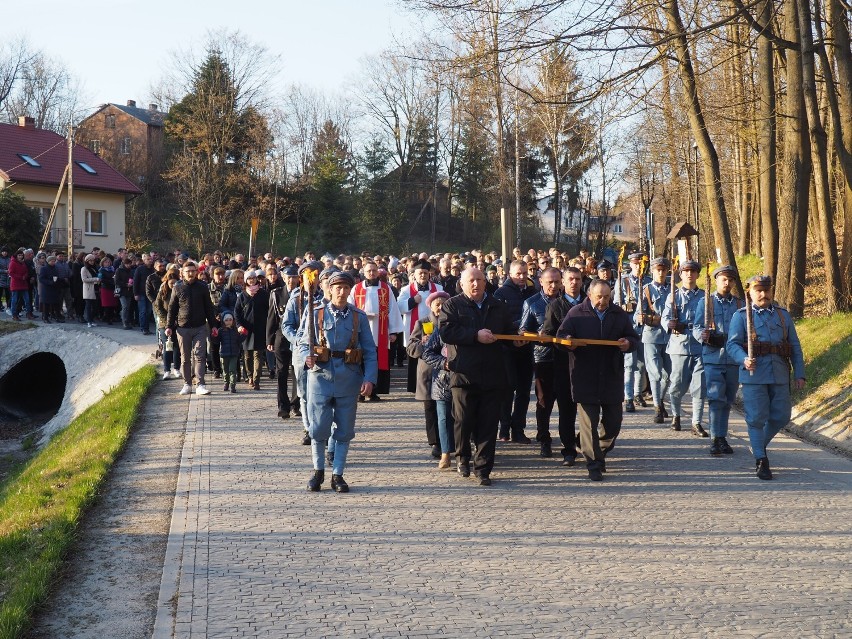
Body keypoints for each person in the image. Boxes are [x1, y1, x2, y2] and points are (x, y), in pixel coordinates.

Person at [299, 271, 378, 493]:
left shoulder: (358, 316)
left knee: (344, 430)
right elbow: (303, 342)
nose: (342, 292)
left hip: (349, 378)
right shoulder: (316, 313)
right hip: (320, 377)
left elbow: (370, 351)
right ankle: (318, 472)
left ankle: (338, 474)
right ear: (330, 289)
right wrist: (307, 356)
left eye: (346, 288)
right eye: (338, 288)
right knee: (319, 427)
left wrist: (370, 378)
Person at [439, 267, 518, 486]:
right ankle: (462, 457)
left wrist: (517, 339)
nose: (475, 284)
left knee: (488, 423)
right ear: (462, 284)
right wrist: (475, 336)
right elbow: (446, 332)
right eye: (471, 281)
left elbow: (508, 331)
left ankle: (483, 468)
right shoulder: (452, 305)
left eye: (479, 280)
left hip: (493, 374)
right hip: (464, 373)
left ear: (485, 283)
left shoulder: (497, 306)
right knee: (463, 420)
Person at [556, 280, 639, 481]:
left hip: (611, 375)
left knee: (613, 423)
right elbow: (560, 336)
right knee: (588, 423)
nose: (603, 301)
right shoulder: (576, 313)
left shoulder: (618, 314)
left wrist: (627, 343)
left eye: (606, 297)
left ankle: (597, 449)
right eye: (599, 297)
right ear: (590, 295)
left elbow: (633, 338)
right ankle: (593, 463)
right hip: (585, 375)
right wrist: (568, 342)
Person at [726, 275, 805, 480]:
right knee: (756, 418)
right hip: (754, 375)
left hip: (779, 373)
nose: (763, 294)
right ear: (750, 293)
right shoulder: (741, 316)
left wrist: (800, 373)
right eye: (758, 291)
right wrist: (743, 359)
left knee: (781, 416)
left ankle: (757, 445)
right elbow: (732, 345)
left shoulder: (782, 316)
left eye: (766, 290)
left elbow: (795, 346)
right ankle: (761, 459)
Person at [540, 266, 587, 466]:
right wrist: (556, 338)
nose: (574, 282)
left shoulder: (591, 301)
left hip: (588, 363)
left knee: (589, 409)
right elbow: (549, 332)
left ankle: (586, 443)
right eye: (570, 279)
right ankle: (568, 450)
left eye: (578, 279)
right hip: (563, 364)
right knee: (566, 409)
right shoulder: (555, 306)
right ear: (563, 282)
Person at [693, 265, 741, 455]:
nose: (727, 283)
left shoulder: (739, 305)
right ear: (716, 281)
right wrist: (702, 334)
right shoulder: (706, 303)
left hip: (733, 359)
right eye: (723, 279)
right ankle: (715, 438)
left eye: (730, 280)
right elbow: (696, 327)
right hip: (713, 356)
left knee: (728, 400)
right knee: (715, 398)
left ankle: (722, 436)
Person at [519, 267, 564, 458]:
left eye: (556, 281)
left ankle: (568, 439)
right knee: (544, 402)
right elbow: (522, 330)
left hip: (566, 357)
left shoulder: (567, 302)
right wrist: (537, 336)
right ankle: (543, 438)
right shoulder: (532, 303)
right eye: (549, 282)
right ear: (541, 282)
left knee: (567, 402)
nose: (553, 285)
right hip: (543, 357)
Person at [494, 259, 537, 443]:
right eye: (518, 273)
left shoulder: (532, 293)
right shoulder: (500, 293)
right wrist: (516, 329)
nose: (522, 277)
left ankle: (518, 429)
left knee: (524, 391)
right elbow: (496, 321)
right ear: (510, 274)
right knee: (506, 389)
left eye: (525, 273)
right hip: (507, 349)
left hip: (527, 348)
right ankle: (504, 429)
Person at [662, 260, 707, 436]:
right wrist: (669, 323)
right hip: (679, 345)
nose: (689, 274)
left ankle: (696, 422)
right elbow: (665, 316)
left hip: (700, 346)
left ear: (697, 274)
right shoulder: (673, 295)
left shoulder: (704, 296)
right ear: (680, 274)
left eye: (693, 271)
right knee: (678, 384)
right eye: (686, 271)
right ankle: (676, 415)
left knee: (699, 385)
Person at [349, 261, 404, 399]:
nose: (372, 273)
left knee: (377, 360)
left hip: (381, 331)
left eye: (374, 270)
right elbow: (349, 307)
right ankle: (359, 392)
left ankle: (374, 391)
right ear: (364, 272)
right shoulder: (356, 289)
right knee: (359, 361)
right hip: (361, 330)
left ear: (378, 272)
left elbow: (393, 309)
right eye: (369, 271)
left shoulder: (386, 288)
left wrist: (393, 332)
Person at [407, 291, 449, 460]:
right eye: (437, 304)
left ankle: (449, 442)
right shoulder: (422, 322)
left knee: (449, 410)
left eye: (443, 304)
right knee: (430, 409)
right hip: (428, 372)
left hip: (447, 372)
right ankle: (435, 443)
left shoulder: (452, 322)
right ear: (430, 306)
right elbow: (410, 348)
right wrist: (422, 343)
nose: (440, 307)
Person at [166, 260, 218, 396]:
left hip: (200, 327)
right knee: (185, 358)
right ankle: (187, 383)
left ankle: (200, 384)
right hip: (182, 329)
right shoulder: (177, 288)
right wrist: (169, 326)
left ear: (196, 272)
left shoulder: (202, 287)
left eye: (192, 271)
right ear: (182, 273)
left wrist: (213, 325)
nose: (190, 273)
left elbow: (209, 308)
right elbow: (172, 308)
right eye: (187, 271)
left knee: (200, 356)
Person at [398, 259, 443, 392]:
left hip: (434, 326)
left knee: (434, 354)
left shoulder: (438, 288)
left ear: (429, 274)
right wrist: (412, 301)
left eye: (425, 273)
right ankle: (414, 387)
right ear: (415, 275)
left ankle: (435, 384)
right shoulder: (406, 290)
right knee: (415, 356)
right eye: (420, 273)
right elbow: (399, 307)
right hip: (415, 328)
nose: (423, 275)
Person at [419, 311, 456, 470]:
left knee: (464, 418)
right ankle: (445, 453)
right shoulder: (440, 331)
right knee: (443, 418)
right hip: (442, 380)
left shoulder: (468, 330)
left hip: (465, 379)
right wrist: (444, 363)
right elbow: (427, 353)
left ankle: (464, 451)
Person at [637, 257, 672, 424]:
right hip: (651, 335)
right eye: (658, 269)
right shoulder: (646, 290)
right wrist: (641, 317)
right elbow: (639, 313)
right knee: (655, 373)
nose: (660, 272)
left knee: (668, 375)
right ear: (652, 271)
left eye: (663, 270)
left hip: (670, 337)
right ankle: (658, 407)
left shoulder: (674, 290)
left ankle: (660, 400)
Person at [615, 252, 650, 412]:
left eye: (641, 264)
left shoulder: (648, 282)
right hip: (629, 328)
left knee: (642, 364)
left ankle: (638, 393)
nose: (639, 267)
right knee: (629, 365)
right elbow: (616, 303)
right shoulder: (624, 281)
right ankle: (628, 396)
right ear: (631, 264)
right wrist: (622, 307)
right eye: (636, 264)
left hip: (645, 329)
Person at [268, 264, 296, 418]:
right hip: (281, 338)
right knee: (282, 373)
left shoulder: (303, 294)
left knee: (298, 374)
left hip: (299, 338)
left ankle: (296, 404)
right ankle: (283, 406)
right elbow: (271, 318)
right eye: (289, 277)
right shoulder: (277, 294)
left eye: (294, 277)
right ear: (283, 278)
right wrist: (270, 338)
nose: (291, 280)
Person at [235, 270, 270, 390]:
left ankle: (256, 380)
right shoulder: (243, 295)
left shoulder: (264, 294)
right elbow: (237, 312)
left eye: (253, 278)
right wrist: (239, 325)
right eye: (249, 279)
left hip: (260, 329)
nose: (252, 280)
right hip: (246, 330)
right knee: (247, 355)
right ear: (246, 281)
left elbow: (269, 311)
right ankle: (249, 375)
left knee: (258, 355)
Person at [155, 273, 183, 380]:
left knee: (177, 347)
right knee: (168, 346)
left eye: (175, 282)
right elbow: (158, 307)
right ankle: (166, 370)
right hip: (164, 324)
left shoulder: (180, 291)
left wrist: (176, 320)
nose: (173, 285)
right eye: (171, 283)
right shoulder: (162, 292)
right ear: (167, 282)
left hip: (178, 323)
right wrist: (168, 321)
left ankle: (176, 369)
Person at [218, 311, 243, 392]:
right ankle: (226, 383)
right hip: (224, 353)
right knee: (225, 370)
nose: (228, 322)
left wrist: (244, 334)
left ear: (233, 321)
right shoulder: (221, 331)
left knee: (232, 370)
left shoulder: (235, 331)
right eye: (226, 320)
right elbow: (216, 341)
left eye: (230, 320)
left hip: (233, 354)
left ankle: (232, 385)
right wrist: (214, 336)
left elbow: (239, 340)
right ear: (223, 321)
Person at [9, 249, 35, 320]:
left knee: (27, 300)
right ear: (16, 256)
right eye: (19, 255)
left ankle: (29, 313)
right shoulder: (13, 262)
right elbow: (11, 273)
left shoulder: (23, 263)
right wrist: (20, 277)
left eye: (21, 255)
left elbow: (26, 271)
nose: (20, 257)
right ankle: (14, 315)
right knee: (14, 300)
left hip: (23, 284)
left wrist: (25, 276)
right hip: (15, 284)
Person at [134, 253, 155, 334]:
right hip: (141, 293)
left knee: (149, 311)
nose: (150, 261)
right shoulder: (140, 269)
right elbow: (136, 282)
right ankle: (143, 328)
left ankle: (147, 328)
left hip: (150, 293)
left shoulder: (153, 269)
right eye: (148, 259)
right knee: (143, 311)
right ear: (144, 260)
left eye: (150, 259)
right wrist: (136, 294)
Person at [97, 256, 119, 325]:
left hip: (112, 288)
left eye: (109, 262)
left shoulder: (112, 269)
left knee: (112, 304)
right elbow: (101, 280)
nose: (108, 263)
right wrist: (111, 281)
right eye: (106, 262)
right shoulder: (101, 270)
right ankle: (107, 318)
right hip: (105, 288)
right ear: (103, 263)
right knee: (107, 304)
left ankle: (111, 317)